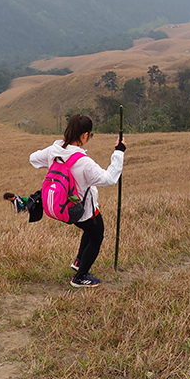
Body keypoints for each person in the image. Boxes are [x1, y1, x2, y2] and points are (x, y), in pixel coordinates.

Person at [29, 114, 125, 288]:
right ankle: (80, 277)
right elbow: (110, 179)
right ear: (84, 135)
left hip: (61, 206)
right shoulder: (84, 162)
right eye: (90, 134)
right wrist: (119, 152)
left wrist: (53, 162)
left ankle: (79, 261)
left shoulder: (54, 150)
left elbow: (33, 159)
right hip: (81, 209)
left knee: (88, 231)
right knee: (96, 236)